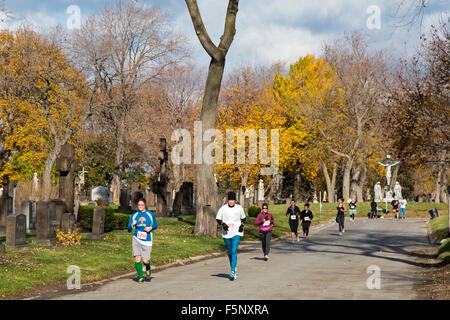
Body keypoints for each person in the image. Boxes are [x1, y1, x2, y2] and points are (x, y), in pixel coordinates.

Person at [216, 191, 246, 281]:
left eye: (233, 200)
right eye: (230, 200)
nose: (231, 202)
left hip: (236, 232)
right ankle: (233, 266)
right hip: (226, 233)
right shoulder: (223, 208)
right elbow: (218, 218)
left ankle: (232, 271)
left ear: (235, 200)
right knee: (229, 251)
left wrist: (242, 225)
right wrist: (223, 224)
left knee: (234, 250)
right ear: (228, 200)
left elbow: (244, 218)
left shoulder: (239, 208)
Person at [127, 198, 158, 283]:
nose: (140, 206)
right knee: (137, 257)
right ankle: (141, 277)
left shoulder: (150, 214)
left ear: (145, 205)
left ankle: (148, 267)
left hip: (147, 239)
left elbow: (155, 225)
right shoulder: (134, 215)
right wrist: (132, 224)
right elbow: (129, 229)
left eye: (142, 205)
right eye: (139, 205)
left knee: (145, 260)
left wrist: (150, 228)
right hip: (136, 238)